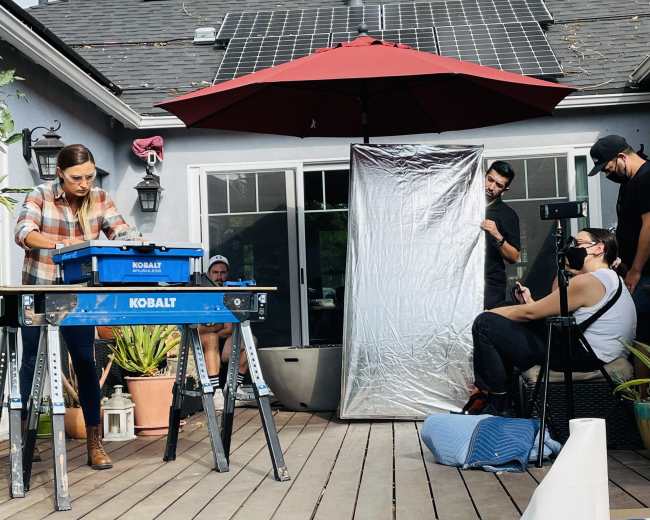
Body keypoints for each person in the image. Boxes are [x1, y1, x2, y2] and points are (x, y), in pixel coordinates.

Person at [15, 144, 138, 469]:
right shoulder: (40, 194)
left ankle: (94, 443)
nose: (84, 183)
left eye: (89, 176)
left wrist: (132, 238)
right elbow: (24, 232)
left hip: (79, 297)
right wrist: (61, 244)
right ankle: (25, 440)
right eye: (76, 177)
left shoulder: (99, 198)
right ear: (60, 174)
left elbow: (120, 229)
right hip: (39, 291)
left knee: (85, 362)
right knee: (30, 364)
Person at [471, 228, 636, 415]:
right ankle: (504, 398)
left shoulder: (589, 282)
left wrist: (488, 313)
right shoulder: (613, 279)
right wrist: (528, 305)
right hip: (594, 351)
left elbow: (530, 314)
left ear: (598, 248)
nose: (572, 248)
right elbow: (551, 314)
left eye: (577, 243)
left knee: (485, 324)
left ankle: (498, 405)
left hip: (585, 356)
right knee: (506, 315)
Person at [588, 135, 650, 344]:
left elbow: (649, 227)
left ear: (622, 157)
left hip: (646, 274)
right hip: (634, 269)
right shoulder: (629, 182)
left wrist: (636, 270)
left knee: (641, 338)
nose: (607, 175)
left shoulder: (646, 177)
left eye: (607, 168)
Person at [198, 254, 252, 408]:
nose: (219, 276)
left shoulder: (230, 289)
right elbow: (196, 328)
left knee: (250, 340)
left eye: (223, 273)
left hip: (222, 340)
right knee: (211, 337)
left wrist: (216, 328)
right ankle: (215, 391)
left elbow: (229, 328)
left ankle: (234, 389)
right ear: (208, 273)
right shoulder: (200, 289)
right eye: (215, 272)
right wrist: (216, 328)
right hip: (201, 339)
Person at [481, 161, 521, 309]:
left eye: (499, 185)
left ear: (505, 189)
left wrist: (497, 235)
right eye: (490, 180)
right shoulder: (464, 205)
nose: (491, 187)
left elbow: (514, 257)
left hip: (490, 286)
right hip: (458, 281)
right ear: (484, 176)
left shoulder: (507, 215)